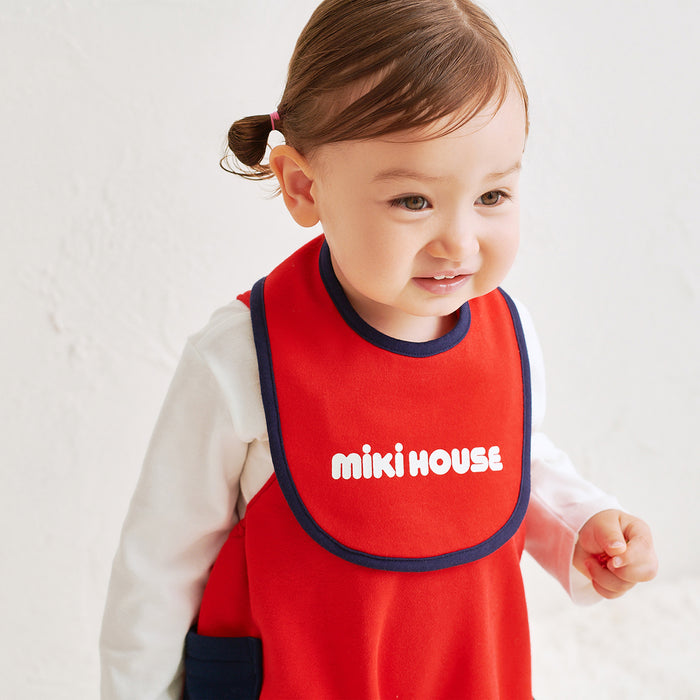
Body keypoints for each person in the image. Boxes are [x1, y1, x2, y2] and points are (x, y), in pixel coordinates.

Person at [99, 0, 658, 697]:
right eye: (413, 201)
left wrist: (581, 524)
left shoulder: (506, 334)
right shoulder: (243, 357)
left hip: (465, 675)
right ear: (304, 187)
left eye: (492, 195)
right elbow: (159, 565)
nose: (459, 242)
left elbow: (508, 457)